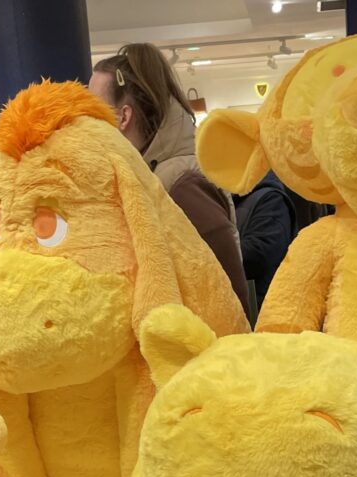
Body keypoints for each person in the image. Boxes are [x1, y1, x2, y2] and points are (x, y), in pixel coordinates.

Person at [89, 44, 249, 313]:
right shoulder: (151, 176)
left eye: (94, 110)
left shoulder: (182, 185)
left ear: (123, 117)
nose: (86, 121)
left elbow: (228, 299)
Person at [233, 170, 297, 317]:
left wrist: (218, 252)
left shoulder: (271, 199)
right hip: (246, 306)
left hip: (265, 310)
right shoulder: (236, 199)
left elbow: (261, 252)